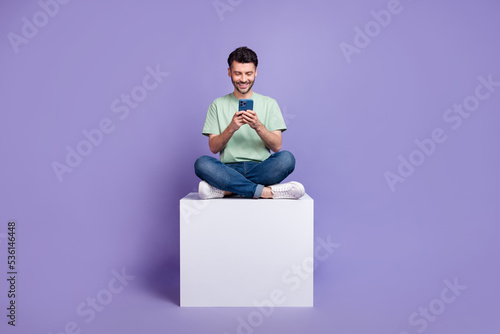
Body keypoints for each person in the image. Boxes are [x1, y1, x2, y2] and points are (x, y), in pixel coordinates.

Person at [194, 46, 305, 200]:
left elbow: (277, 146)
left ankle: (228, 190)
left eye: (249, 73)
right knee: (202, 163)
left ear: (256, 72)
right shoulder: (217, 104)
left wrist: (258, 126)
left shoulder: (269, 103)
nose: (244, 79)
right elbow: (213, 147)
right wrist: (231, 128)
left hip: (262, 168)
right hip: (227, 169)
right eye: (238, 73)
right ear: (229, 73)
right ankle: (266, 192)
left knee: (287, 159)